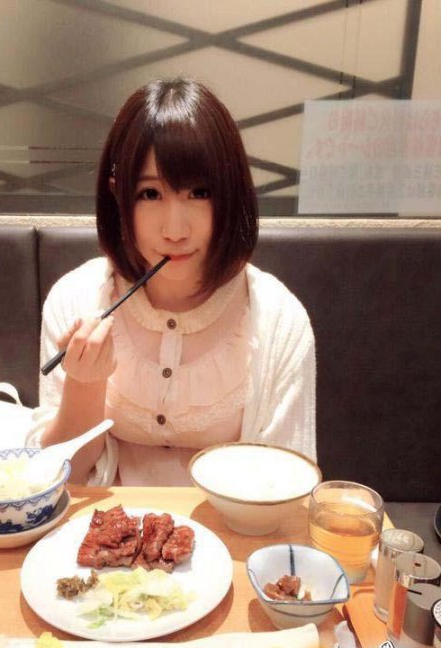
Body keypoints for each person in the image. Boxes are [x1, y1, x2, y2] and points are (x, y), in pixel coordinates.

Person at [27, 77, 316, 486]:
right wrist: (84, 384)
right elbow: (58, 479)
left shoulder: (279, 320)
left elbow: (290, 488)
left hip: (231, 525)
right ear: (118, 195)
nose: (175, 230)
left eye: (199, 192)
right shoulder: (75, 299)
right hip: (103, 526)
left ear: (231, 194)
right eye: (150, 194)